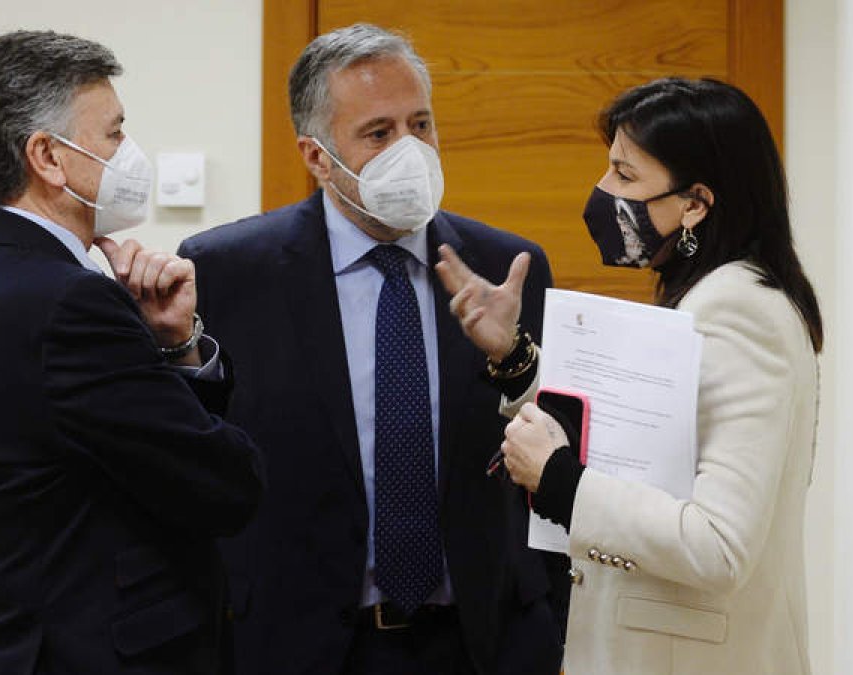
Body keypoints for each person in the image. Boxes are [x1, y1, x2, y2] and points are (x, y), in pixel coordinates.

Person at [177, 23, 564, 675]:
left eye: (421, 124)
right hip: (303, 644)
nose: (410, 151)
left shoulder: (507, 266)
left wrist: (513, 356)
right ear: (317, 157)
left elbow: (560, 452)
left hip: (482, 642)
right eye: (379, 133)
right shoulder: (226, 271)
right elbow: (191, 460)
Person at [437, 77, 823, 675]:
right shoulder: (708, 296)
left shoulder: (738, 311)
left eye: (624, 175)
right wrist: (516, 359)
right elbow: (640, 448)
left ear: (694, 204)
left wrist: (562, 480)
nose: (602, 191)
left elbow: (718, 545)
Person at [0, 30, 263, 674]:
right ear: (48, 156)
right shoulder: (68, 303)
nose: (128, 152)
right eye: (113, 133)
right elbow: (222, 486)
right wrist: (185, 361)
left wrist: (174, 341)